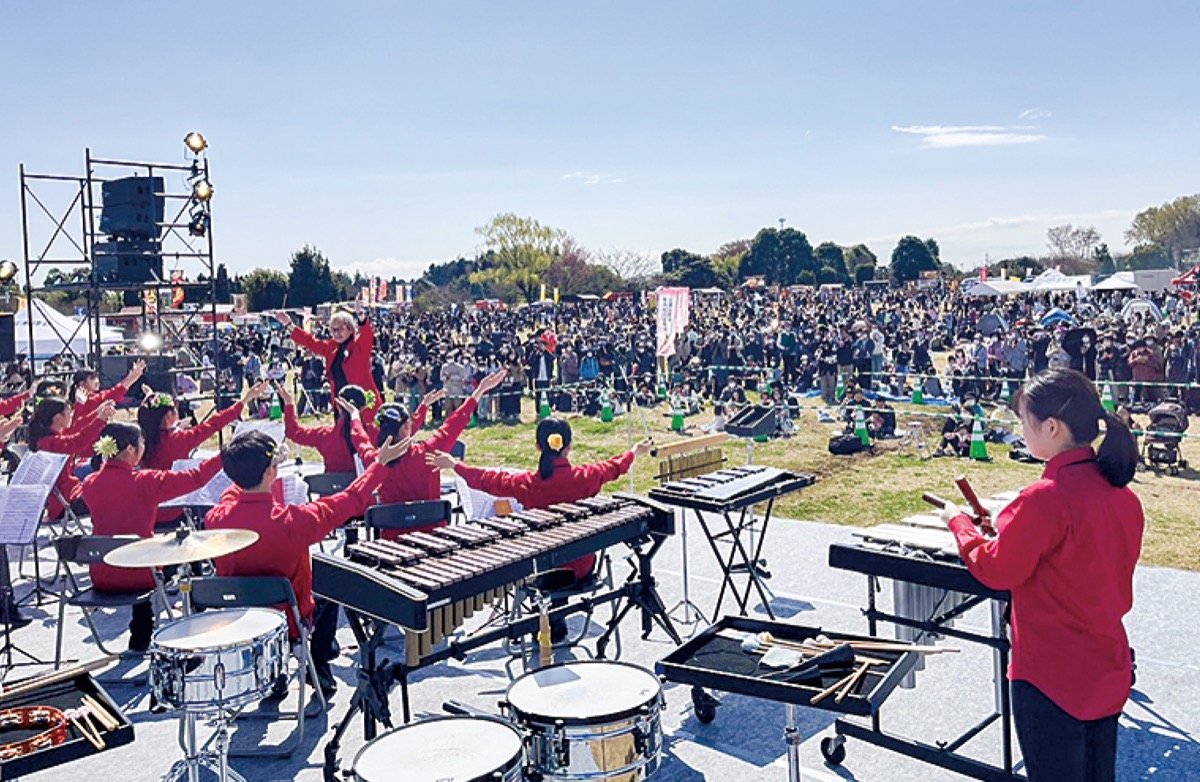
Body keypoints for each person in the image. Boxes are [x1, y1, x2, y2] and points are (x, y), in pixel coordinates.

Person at [940, 368, 1142, 782]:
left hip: (1052, 676)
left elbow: (996, 570)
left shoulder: (1044, 498)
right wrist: (1011, 533)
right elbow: (1076, 558)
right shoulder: (1124, 496)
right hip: (1106, 665)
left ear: (1051, 427)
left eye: (1023, 422)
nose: (1020, 431)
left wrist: (958, 524)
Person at [205, 430, 410, 695]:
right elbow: (350, 499)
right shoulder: (296, 522)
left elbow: (231, 498)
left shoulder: (215, 520)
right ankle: (319, 665)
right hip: (288, 620)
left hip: (239, 617)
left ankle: (274, 672)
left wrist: (245, 476)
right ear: (270, 472)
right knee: (330, 588)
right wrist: (379, 465)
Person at [427, 417, 654, 636]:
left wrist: (455, 465)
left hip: (540, 570)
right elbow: (614, 467)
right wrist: (634, 451)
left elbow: (487, 480)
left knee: (532, 561)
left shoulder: (527, 484)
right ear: (569, 447)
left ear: (538, 446)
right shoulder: (584, 477)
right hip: (581, 568)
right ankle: (554, 617)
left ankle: (547, 618)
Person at [76, 421, 223, 650]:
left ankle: (141, 635)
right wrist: (224, 456)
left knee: (138, 551)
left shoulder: (90, 483)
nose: (144, 446)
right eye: (142, 443)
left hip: (102, 573)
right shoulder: (144, 481)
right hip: (140, 573)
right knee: (153, 553)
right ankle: (151, 633)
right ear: (130, 450)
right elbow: (197, 478)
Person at [356, 369, 506, 538]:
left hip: (392, 544)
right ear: (407, 427)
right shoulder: (429, 454)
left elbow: (360, 440)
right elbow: (456, 421)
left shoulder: (377, 461)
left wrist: (354, 417)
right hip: (434, 541)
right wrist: (479, 390)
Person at [276, 308, 381, 422]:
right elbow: (310, 342)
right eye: (333, 330)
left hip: (363, 405)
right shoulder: (331, 347)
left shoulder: (359, 347)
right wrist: (289, 324)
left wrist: (361, 318)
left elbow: (367, 334)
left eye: (341, 329)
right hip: (340, 404)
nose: (337, 333)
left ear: (351, 329)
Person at [28, 396, 117, 519]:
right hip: (65, 503)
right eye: (69, 413)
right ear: (58, 417)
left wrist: (98, 412)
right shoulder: (50, 443)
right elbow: (78, 441)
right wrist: (100, 420)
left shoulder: (50, 438)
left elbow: (78, 427)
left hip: (70, 494)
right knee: (111, 493)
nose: (72, 415)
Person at [68, 360, 145, 419]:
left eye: (96, 377)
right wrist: (131, 379)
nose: (97, 381)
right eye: (92, 378)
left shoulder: (91, 398)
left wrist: (130, 379)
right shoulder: (90, 400)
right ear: (81, 384)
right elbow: (113, 394)